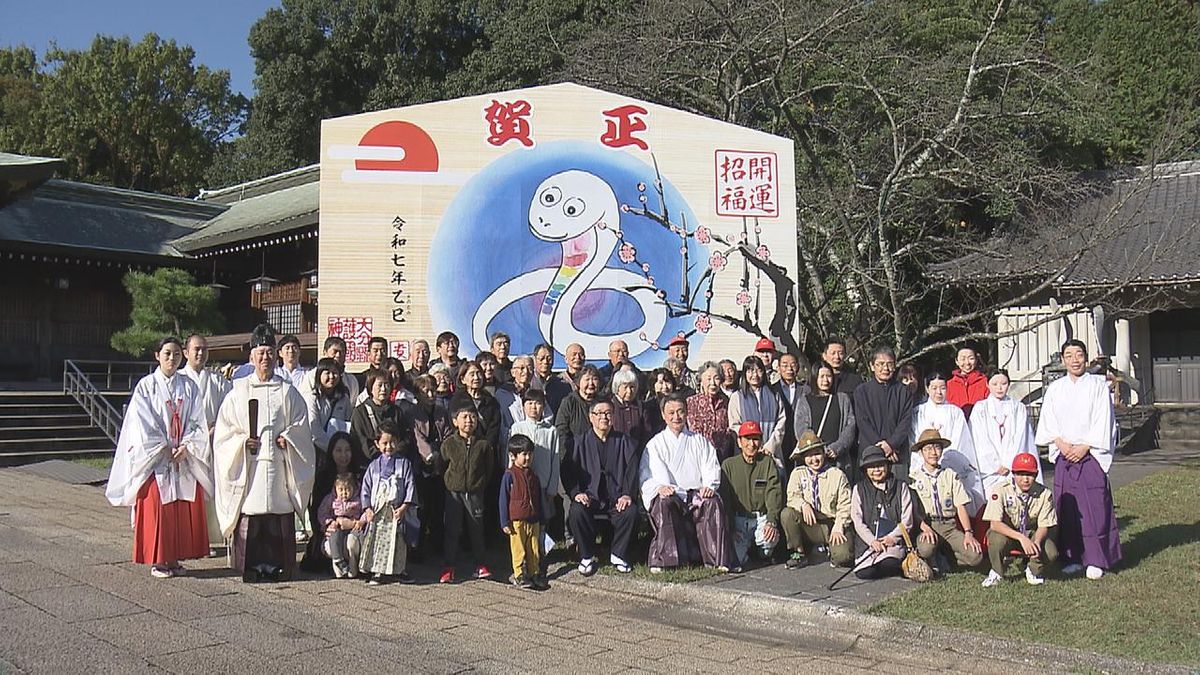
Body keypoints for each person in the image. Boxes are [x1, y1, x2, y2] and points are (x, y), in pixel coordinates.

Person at [213, 324, 316, 582]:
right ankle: (249, 567)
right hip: (250, 466)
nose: (265, 358)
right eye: (260, 353)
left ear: (276, 355)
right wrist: (241, 442)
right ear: (252, 357)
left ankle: (281, 567)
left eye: (270, 352)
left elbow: (301, 425)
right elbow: (225, 431)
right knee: (252, 515)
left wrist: (289, 438)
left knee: (278, 516)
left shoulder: (287, 391)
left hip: (280, 464)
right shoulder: (238, 391)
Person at [106, 336, 214, 578]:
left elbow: (197, 420)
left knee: (179, 508)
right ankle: (158, 560)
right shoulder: (146, 386)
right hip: (156, 458)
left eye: (176, 354)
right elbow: (141, 423)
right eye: (167, 354)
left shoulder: (189, 386)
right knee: (158, 507)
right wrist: (164, 447)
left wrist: (186, 446)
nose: (172, 359)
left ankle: (175, 558)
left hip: (182, 456)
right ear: (157, 355)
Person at [1034, 339, 1122, 580]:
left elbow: (1104, 420)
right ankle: (1072, 557)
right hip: (1064, 454)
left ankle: (1096, 559)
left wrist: (1084, 446)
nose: (1074, 360)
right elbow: (1048, 422)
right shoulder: (1056, 389)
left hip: (1090, 454)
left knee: (1095, 507)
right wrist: (1061, 444)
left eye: (1079, 354)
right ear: (1063, 359)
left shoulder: (1097, 386)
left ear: (1086, 357)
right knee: (1068, 508)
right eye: (1069, 355)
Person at [639, 393, 735, 573]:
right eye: (671, 412)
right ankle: (667, 560)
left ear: (687, 413)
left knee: (712, 503)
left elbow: (711, 466)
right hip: (672, 495)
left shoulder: (699, 441)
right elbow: (647, 476)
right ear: (663, 415)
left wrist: (709, 486)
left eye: (680, 411)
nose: (676, 417)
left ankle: (716, 559)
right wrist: (660, 487)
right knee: (664, 503)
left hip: (696, 494)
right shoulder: (655, 445)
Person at [563, 398, 640, 575]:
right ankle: (586, 555)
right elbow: (567, 471)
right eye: (599, 413)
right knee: (576, 511)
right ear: (591, 417)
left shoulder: (625, 442)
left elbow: (632, 471)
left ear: (613, 416)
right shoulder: (578, 443)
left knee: (630, 511)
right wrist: (577, 493)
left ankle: (618, 554)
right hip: (590, 497)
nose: (603, 417)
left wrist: (627, 494)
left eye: (608, 413)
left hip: (616, 497)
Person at [180, 333, 230, 552]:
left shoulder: (218, 381)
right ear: (186, 352)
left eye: (204, 349)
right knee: (188, 491)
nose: (200, 353)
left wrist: (215, 428)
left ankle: (209, 538)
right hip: (185, 445)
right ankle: (187, 537)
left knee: (210, 491)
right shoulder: (179, 379)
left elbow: (229, 410)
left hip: (212, 441)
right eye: (196, 349)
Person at [910, 428, 984, 573]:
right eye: (928, 448)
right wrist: (924, 527)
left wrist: (968, 533)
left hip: (949, 526)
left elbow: (960, 506)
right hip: (928, 525)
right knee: (926, 548)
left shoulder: (950, 475)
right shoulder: (914, 478)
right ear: (921, 452)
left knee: (976, 556)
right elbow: (913, 510)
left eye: (937, 447)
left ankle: (947, 557)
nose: (933, 452)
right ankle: (933, 555)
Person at [982, 452, 1058, 587]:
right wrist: (1021, 538)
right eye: (1020, 474)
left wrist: (1036, 542)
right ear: (1013, 474)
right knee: (995, 539)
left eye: (1029, 475)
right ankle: (997, 571)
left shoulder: (1045, 494)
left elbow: (1044, 525)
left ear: (1036, 475)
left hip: (1031, 531)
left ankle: (1033, 569)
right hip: (1008, 532)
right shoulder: (1001, 490)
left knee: (1051, 552)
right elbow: (994, 524)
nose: (1025, 479)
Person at [911, 372, 985, 511]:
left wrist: (944, 461)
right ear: (927, 389)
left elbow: (960, 440)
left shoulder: (955, 412)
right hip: (923, 464)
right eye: (934, 388)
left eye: (943, 388)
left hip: (949, 465)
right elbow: (915, 439)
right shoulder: (918, 412)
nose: (938, 392)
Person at [781, 431, 852, 568]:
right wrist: (803, 505)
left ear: (823, 453)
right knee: (787, 514)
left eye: (817, 453)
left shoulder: (837, 475)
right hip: (810, 524)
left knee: (843, 557)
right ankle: (799, 553)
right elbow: (792, 497)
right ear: (803, 458)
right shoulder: (797, 474)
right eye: (808, 456)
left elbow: (845, 504)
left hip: (832, 524)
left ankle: (831, 550)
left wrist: (839, 525)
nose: (814, 459)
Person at [358, 419, 417, 585]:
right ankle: (377, 571)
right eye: (384, 443)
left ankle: (399, 570)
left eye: (392, 442)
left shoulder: (404, 464)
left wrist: (405, 506)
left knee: (399, 541)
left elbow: (410, 485)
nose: (388, 447)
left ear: (398, 443)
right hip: (378, 510)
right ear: (377, 444)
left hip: (396, 509)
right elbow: (366, 489)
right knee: (376, 539)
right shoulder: (373, 466)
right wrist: (367, 508)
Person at [440, 403, 494, 583]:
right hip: (453, 492)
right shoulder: (449, 444)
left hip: (475, 492)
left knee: (477, 529)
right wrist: (450, 482)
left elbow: (488, 468)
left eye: (472, 417)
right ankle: (449, 567)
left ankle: (480, 564)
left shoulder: (483, 444)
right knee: (452, 529)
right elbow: (442, 465)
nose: (469, 421)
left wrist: (479, 484)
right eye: (465, 417)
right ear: (455, 421)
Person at [720, 421, 783, 570]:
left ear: (761, 441)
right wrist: (730, 528)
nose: (751, 444)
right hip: (739, 520)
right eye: (747, 439)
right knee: (737, 558)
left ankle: (761, 551)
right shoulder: (728, 466)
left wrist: (771, 521)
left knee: (768, 545)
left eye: (755, 439)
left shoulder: (767, 463)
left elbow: (774, 493)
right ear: (739, 442)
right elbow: (725, 500)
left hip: (760, 518)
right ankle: (748, 550)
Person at [970, 368, 1041, 497]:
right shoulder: (980, 408)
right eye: (995, 384)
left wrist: (1009, 463)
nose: (999, 388)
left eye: (1003, 384)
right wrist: (995, 464)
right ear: (987, 385)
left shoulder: (1018, 407)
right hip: (989, 470)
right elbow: (979, 439)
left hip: (1012, 468)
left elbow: (1021, 438)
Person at [850, 446, 917, 580]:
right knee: (864, 573)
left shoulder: (901, 487)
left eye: (880, 465)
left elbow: (907, 519)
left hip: (892, 542)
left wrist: (892, 538)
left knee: (889, 563)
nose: (876, 470)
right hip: (868, 544)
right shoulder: (859, 489)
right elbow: (857, 520)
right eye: (872, 467)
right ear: (866, 470)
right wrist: (872, 541)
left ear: (887, 466)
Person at [508, 389, 562, 551]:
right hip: (521, 485)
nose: (533, 407)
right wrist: (511, 481)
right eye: (529, 403)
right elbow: (510, 456)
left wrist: (553, 488)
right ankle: (523, 557)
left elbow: (555, 460)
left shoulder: (551, 431)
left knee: (542, 521)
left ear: (544, 407)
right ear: (523, 407)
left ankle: (539, 556)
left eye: (538, 403)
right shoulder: (517, 427)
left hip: (543, 484)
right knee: (522, 522)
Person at [300, 431, 362, 573]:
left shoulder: (359, 476)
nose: (343, 455)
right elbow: (316, 509)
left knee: (353, 544)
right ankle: (338, 563)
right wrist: (327, 526)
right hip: (331, 529)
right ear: (331, 452)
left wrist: (354, 523)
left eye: (347, 450)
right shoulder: (323, 477)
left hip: (355, 528)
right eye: (338, 450)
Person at [852, 346, 916, 480]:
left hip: (897, 454)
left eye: (889, 364)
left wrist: (891, 444)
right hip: (870, 453)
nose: (885, 368)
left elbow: (906, 421)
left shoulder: (903, 391)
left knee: (899, 495)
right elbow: (862, 422)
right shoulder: (862, 391)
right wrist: (882, 448)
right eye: (880, 364)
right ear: (872, 366)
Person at [499, 435, 547, 589]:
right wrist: (504, 521)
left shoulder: (534, 476)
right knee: (518, 548)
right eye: (524, 454)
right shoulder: (509, 475)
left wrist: (542, 518)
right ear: (513, 456)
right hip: (516, 521)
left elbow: (538, 498)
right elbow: (503, 499)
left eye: (530, 454)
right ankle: (519, 574)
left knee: (533, 548)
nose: (528, 458)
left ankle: (534, 573)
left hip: (533, 519)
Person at [794, 363, 857, 476]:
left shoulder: (842, 399)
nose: (825, 380)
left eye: (829, 376)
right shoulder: (805, 400)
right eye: (821, 376)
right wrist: (818, 450)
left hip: (837, 460)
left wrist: (837, 448)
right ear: (814, 378)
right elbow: (801, 428)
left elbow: (850, 426)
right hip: (813, 459)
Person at [727, 356, 787, 471]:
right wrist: (752, 444)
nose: (755, 375)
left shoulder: (774, 395)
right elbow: (734, 425)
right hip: (747, 452)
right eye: (750, 371)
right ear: (744, 373)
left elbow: (781, 421)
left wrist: (769, 446)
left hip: (772, 451)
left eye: (759, 370)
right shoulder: (737, 397)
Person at [686, 362, 735, 461]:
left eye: (716, 378)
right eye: (708, 379)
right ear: (701, 381)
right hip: (697, 456)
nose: (712, 383)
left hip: (721, 457)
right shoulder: (691, 402)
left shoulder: (726, 402)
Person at [317, 474, 364, 579]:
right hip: (337, 524)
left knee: (353, 542)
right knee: (334, 535)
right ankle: (338, 561)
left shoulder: (358, 500)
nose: (344, 493)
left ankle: (353, 567)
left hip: (353, 526)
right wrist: (329, 522)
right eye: (341, 490)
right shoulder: (331, 499)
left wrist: (360, 521)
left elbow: (364, 511)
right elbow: (322, 512)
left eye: (347, 489)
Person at [304, 357, 353, 457]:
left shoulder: (344, 398)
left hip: (341, 453)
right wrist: (332, 449)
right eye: (327, 373)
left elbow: (349, 423)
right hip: (318, 451)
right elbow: (314, 429)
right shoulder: (312, 398)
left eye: (335, 373)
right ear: (319, 375)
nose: (331, 376)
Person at [350, 369, 398, 464]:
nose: (383, 389)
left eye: (387, 384)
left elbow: (405, 438)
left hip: (395, 463)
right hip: (368, 465)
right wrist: (380, 458)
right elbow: (360, 441)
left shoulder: (397, 411)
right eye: (379, 385)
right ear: (370, 387)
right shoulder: (360, 412)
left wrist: (395, 454)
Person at [554, 365, 603, 459]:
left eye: (595, 379)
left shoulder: (603, 402)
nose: (591, 383)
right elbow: (561, 431)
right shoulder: (569, 402)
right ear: (578, 382)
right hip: (575, 456)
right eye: (587, 379)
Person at [774, 353, 807, 470]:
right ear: (778, 368)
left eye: (793, 365)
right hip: (780, 438)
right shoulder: (772, 390)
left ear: (797, 367)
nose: (789, 368)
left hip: (800, 437)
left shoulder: (806, 390)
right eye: (785, 365)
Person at [303, 336, 360, 404]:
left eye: (342, 352)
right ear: (325, 352)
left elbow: (353, 405)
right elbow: (305, 402)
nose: (338, 355)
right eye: (335, 351)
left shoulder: (351, 380)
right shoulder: (311, 376)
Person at [610, 368, 650, 450]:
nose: (629, 391)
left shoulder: (641, 406)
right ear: (617, 387)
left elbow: (647, 432)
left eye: (632, 387)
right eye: (625, 387)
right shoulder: (610, 406)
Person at [946, 346, 988, 418]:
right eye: (963, 359)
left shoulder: (985, 382)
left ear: (976, 360)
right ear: (956, 361)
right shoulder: (949, 385)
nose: (967, 362)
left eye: (971, 358)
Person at [644, 367, 676, 435]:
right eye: (661, 383)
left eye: (667, 382)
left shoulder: (678, 404)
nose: (665, 386)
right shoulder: (648, 407)